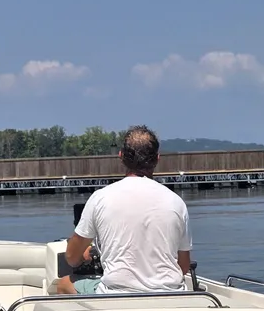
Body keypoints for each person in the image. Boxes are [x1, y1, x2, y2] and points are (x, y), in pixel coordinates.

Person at [58, 124, 193, 295]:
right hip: (170, 294)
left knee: (63, 284)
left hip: (115, 295)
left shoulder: (101, 198)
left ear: (121, 157)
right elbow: (183, 266)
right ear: (157, 159)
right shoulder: (176, 202)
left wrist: (83, 255)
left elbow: (71, 258)